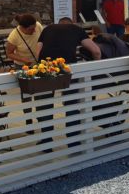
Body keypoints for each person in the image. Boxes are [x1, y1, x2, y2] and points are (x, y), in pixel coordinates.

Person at [35, 18, 101, 150]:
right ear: (71, 24)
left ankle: (47, 140)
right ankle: (73, 140)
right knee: (71, 103)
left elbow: (38, 52)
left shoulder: (47, 29)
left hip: (46, 68)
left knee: (45, 104)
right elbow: (96, 51)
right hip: (67, 68)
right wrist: (96, 66)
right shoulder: (77, 29)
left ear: (59, 24)